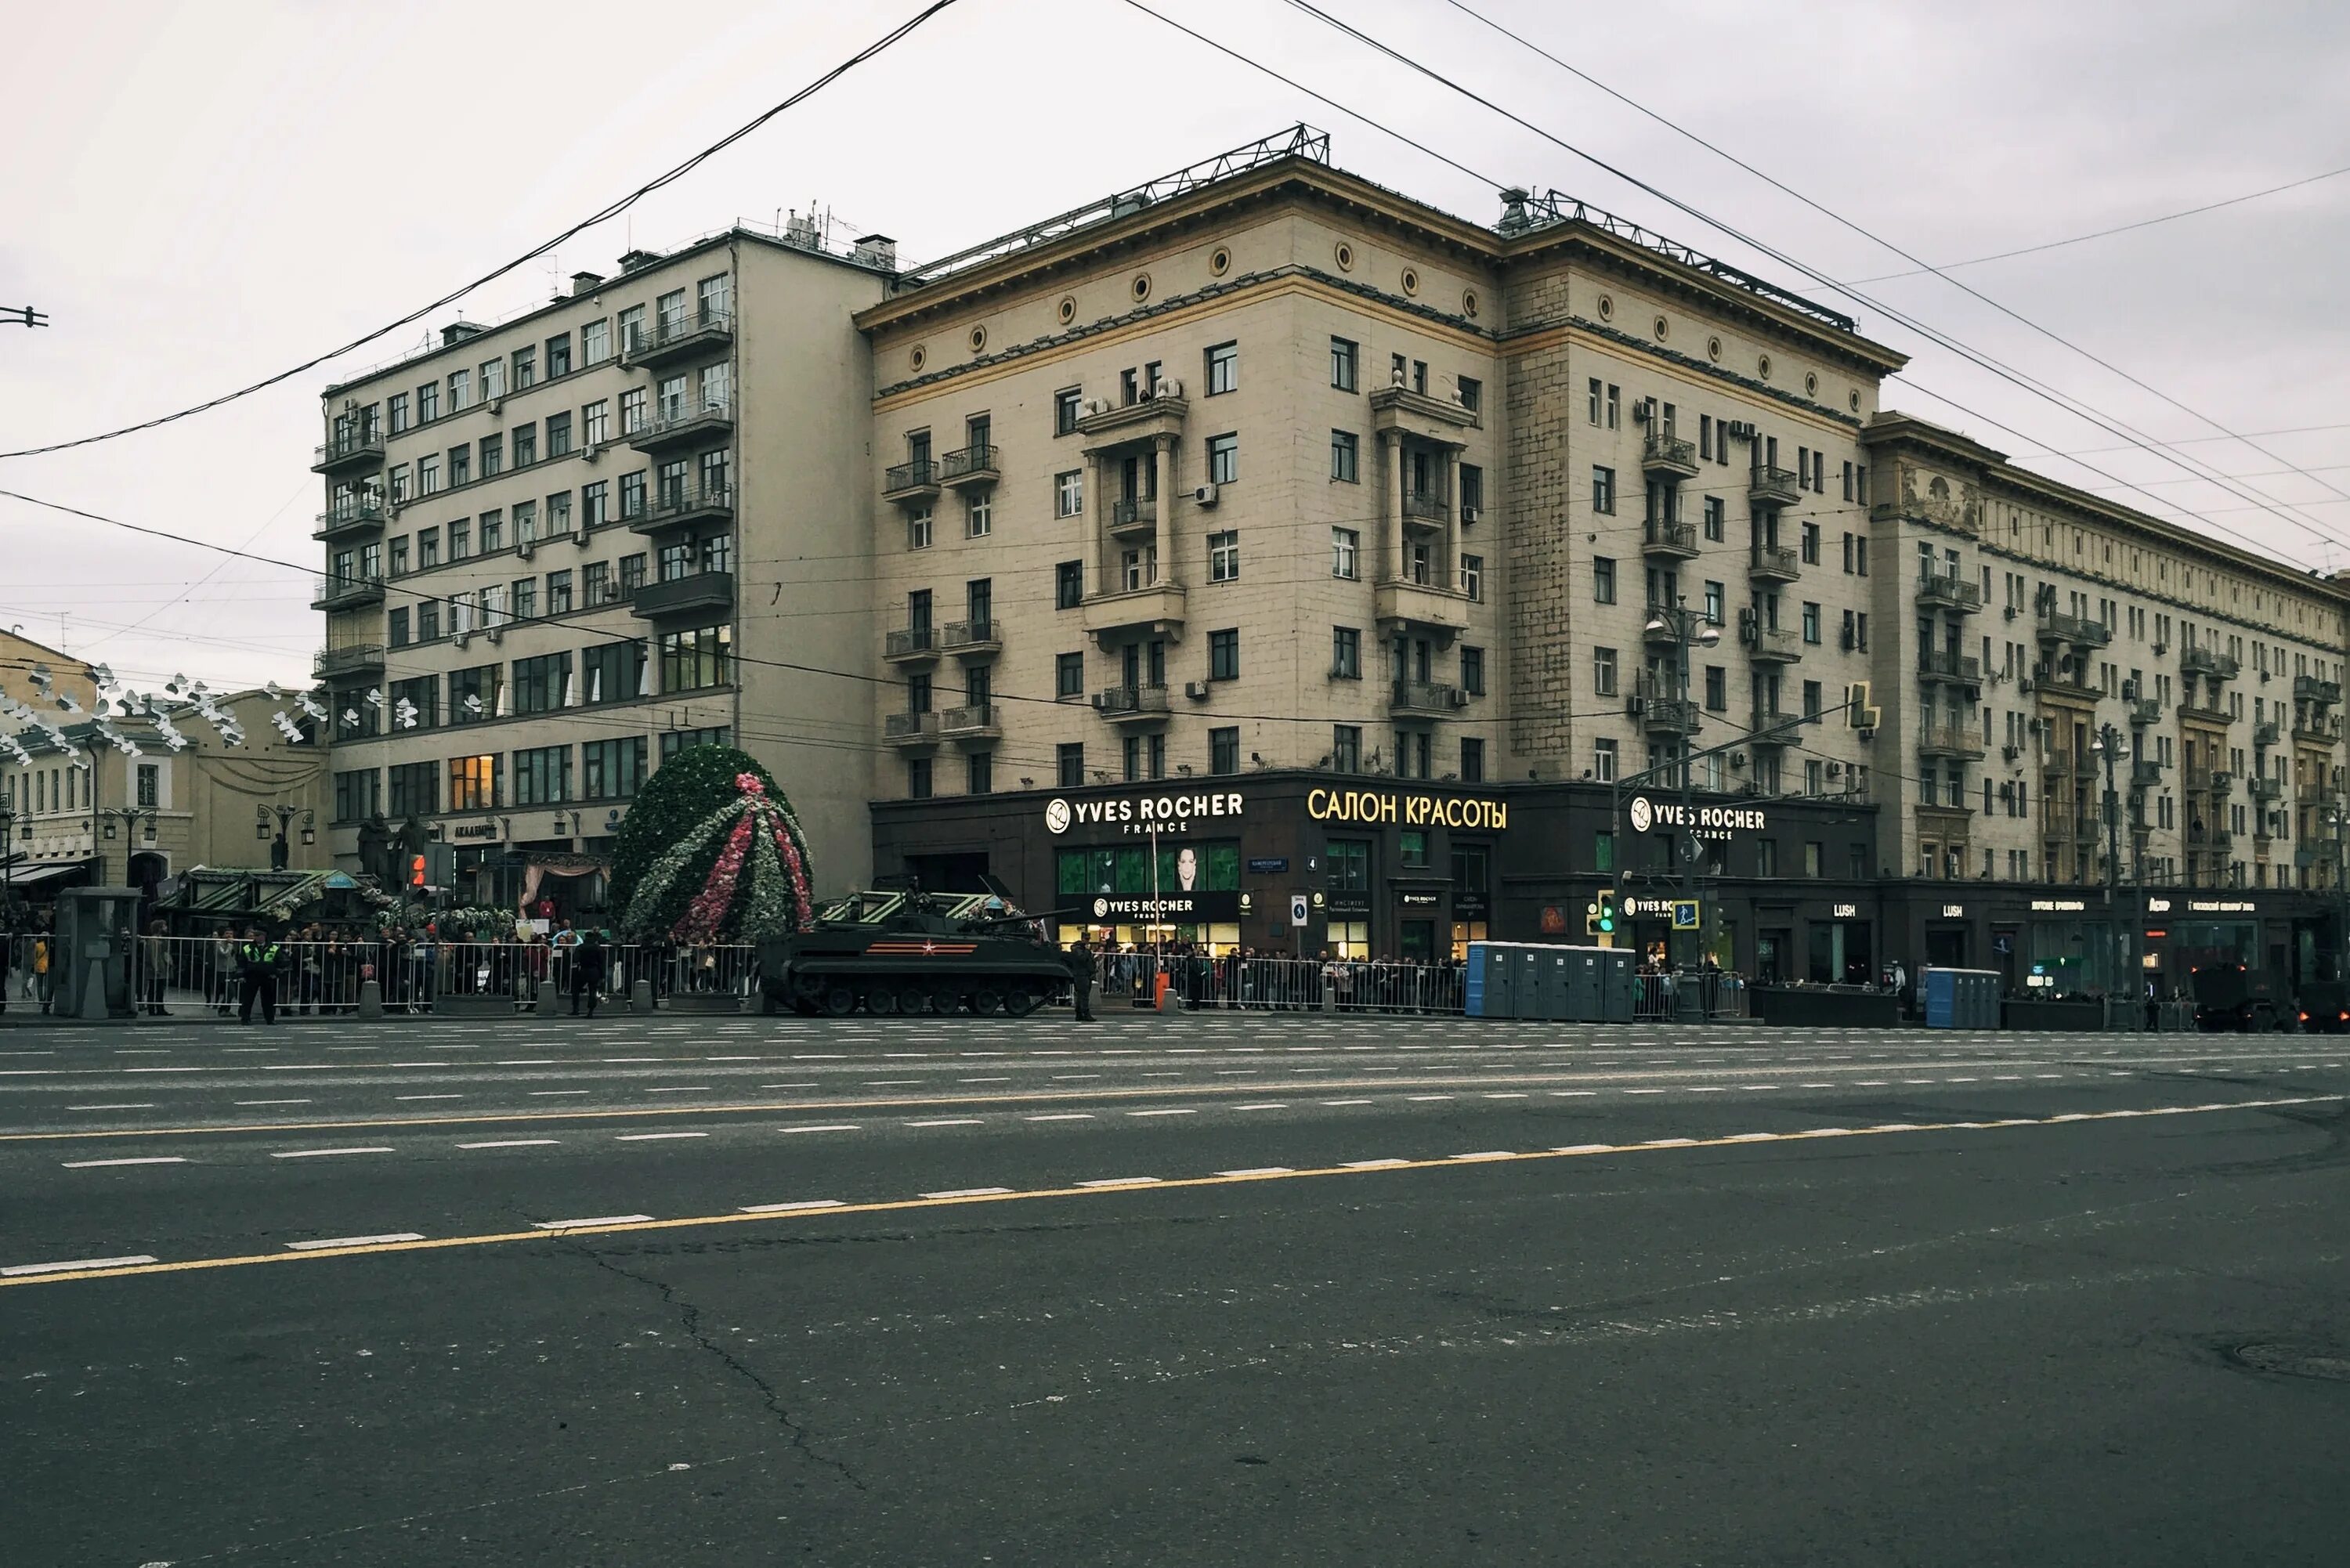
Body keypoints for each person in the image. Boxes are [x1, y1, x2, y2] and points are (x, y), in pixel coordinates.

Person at [237, 924, 282, 1025]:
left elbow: (281, 962)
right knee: (248, 999)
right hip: (251, 975)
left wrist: (276, 974)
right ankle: (245, 1019)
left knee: (268, 1000)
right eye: (255, 935)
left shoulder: (274, 948)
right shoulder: (247, 948)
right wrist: (241, 976)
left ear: (264, 936)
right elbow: (241, 962)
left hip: (268, 976)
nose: (256, 937)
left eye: (258, 935)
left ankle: (270, 1019)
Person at [571, 929, 609, 1017]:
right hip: (594, 970)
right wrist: (603, 975)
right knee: (593, 991)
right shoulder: (598, 948)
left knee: (576, 990)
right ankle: (590, 1011)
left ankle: (576, 1009)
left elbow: (576, 959)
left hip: (583, 970)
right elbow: (602, 962)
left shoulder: (580, 947)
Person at [1068, 937, 1096, 1022]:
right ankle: (1084, 1013)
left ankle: (1080, 1013)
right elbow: (1083, 960)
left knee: (1082, 995)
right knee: (1084, 995)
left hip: (1084, 974)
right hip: (1081, 975)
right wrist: (1087, 952)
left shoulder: (1081, 951)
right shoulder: (1078, 951)